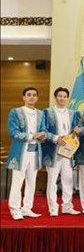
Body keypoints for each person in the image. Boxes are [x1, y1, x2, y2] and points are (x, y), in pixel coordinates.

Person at [7, 87, 46, 220]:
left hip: (35, 151)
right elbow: (13, 132)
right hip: (20, 152)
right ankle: (15, 209)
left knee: (32, 182)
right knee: (17, 181)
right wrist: (32, 136)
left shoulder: (41, 113)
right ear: (23, 97)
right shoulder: (15, 112)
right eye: (28, 95)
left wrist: (43, 135)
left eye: (34, 95)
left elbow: (44, 130)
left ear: (37, 98)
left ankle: (27, 208)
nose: (32, 97)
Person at [42, 87, 80, 216]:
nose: (62, 98)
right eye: (60, 96)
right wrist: (56, 138)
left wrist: (76, 132)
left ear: (67, 98)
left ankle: (67, 206)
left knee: (68, 178)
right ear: (55, 97)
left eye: (64, 96)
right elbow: (43, 130)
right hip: (53, 149)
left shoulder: (72, 113)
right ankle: (53, 208)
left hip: (68, 150)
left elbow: (75, 130)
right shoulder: (47, 112)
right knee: (52, 180)